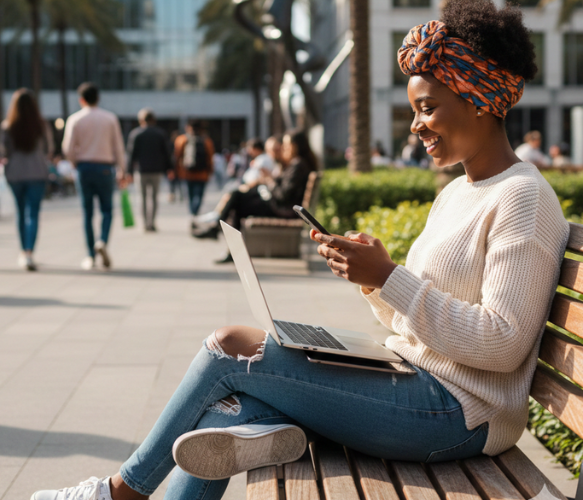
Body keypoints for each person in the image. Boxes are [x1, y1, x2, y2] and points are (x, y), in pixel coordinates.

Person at [29, 2, 570, 500]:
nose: (416, 125)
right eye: (414, 110)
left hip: (459, 414)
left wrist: (391, 278)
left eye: (427, 108)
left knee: (229, 347)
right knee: (229, 413)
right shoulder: (457, 191)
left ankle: (118, 493)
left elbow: (503, 343)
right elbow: (416, 323)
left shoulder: (522, 196)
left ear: (478, 99)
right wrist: (372, 280)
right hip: (417, 384)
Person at [193, 129, 316, 264]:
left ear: (295, 146)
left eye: (287, 146)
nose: (284, 149)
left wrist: (269, 179)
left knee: (237, 199)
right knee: (237, 197)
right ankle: (224, 239)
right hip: (280, 205)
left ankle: (222, 237)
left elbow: (283, 195)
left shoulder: (298, 165)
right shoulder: (298, 164)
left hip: (282, 209)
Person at [62, 82, 126, 270]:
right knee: (107, 210)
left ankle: (90, 255)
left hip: (84, 167)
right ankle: (103, 241)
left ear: (81, 99)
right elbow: (118, 147)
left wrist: (74, 163)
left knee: (87, 212)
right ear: (98, 98)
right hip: (105, 167)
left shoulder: (75, 119)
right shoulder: (110, 118)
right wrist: (122, 169)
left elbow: (67, 148)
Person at [0, 88, 53, 272]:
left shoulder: (8, 126)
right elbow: (49, 149)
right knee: (34, 213)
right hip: (37, 172)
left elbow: (4, 152)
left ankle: (23, 251)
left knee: (21, 213)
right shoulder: (41, 125)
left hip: (15, 174)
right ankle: (30, 252)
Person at [125, 108, 173, 232]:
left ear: (141, 120)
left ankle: (145, 223)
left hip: (141, 171)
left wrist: (128, 172)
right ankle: (152, 222)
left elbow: (131, 155)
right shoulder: (160, 133)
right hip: (157, 171)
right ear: (153, 120)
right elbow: (167, 153)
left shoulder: (136, 133)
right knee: (154, 198)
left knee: (142, 198)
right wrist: (170, 168)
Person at [174, 120, 214, 219]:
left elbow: (177, 156)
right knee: (198, 195)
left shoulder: (181, 139)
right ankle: (195, 212)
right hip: (202, 174)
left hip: (186, 173)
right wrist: (210, 171)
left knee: (190, 195)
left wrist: (177, 171)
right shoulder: (206, 141)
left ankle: (192, 213)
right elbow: (210, 158)